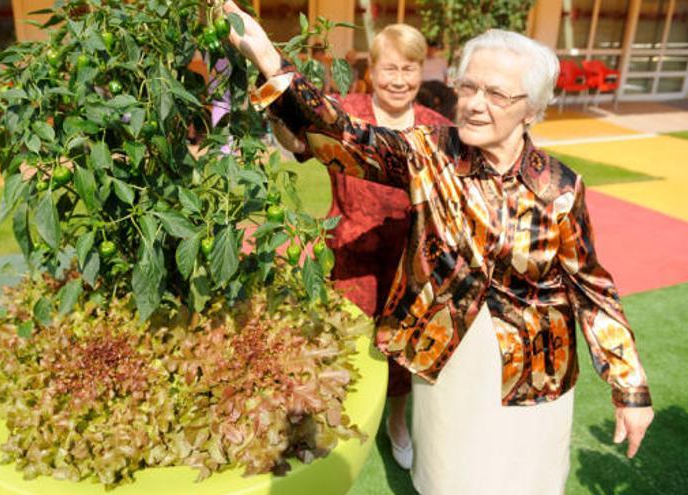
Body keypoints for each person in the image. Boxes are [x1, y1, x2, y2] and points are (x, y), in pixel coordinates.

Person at [224, 3, 654, 494]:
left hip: (534, 370)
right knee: (447, 476)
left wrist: (630, 388)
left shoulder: (560, 188)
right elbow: (342, 135)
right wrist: (265, 54)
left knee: (523, 479)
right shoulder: (431, 152)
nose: (473, 103)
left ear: (532, 109)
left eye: (495, 93)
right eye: (467, 87)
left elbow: (591, 288)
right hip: (445, 357)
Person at [271, 24, 450, 471]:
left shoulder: (437, 128)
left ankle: (396, 423)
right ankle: (340, 425)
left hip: (411, 264)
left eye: (409, 68)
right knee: (346, 346)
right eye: (390, 67)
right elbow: (298, 145)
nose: (400, 78)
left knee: (403, 353)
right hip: (350, 256)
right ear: (373, 68)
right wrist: (277, 117)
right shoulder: (345, 113)